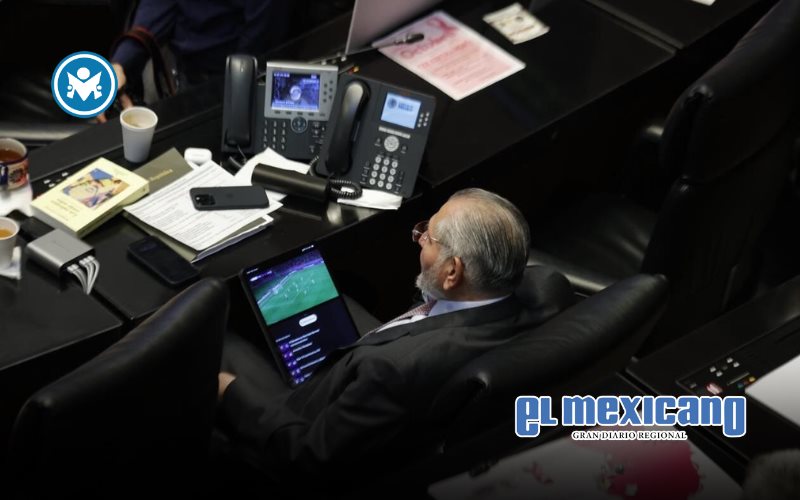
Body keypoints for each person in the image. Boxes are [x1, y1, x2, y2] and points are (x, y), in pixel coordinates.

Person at [215, 188, 552, 486]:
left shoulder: (389, 371)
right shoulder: (544, 293)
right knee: (340, 299)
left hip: (301, 427)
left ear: (453, 272)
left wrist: (229, 390)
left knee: (218, 340)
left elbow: (308, 458)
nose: (419, 239)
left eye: (429, 237)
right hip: (393, 374)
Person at [105, 0, 292, 115]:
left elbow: (261, 33)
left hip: (239, 78)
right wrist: (121, 63)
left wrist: (237, 89)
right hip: (185, 72)